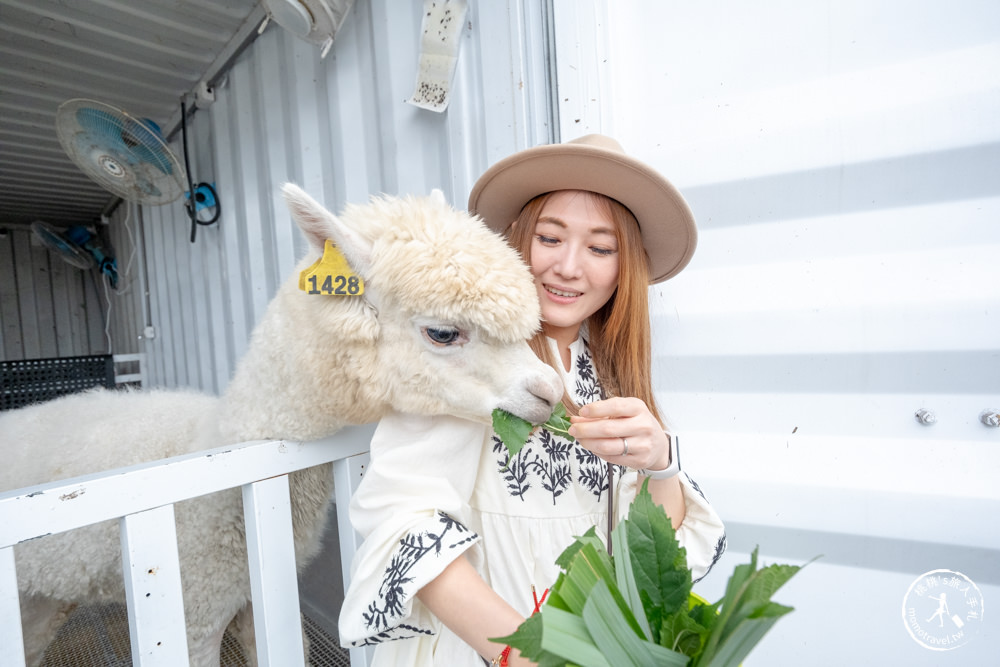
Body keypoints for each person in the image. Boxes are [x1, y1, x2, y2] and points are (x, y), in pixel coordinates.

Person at [338, 134, 726, 666]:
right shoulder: (466, 355)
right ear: (517, 239)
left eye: (600, 248)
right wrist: (525, 655)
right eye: (550, 238)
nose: (569, 267)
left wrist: (661, 464)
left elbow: (651, 556)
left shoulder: (608, 373)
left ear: (624, 267)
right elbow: (404, 522)